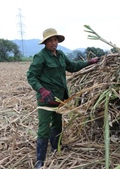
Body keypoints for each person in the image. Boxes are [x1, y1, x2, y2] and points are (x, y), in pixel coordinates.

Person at [26, 28, 99, 168]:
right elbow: (31, 76)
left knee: (58, 124)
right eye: (50, 41)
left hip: (59, 99)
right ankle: (40, 161)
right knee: (43, 128)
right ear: (45, 43)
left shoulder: (60, 55)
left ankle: (55, 148)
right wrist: (42, 90)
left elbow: (72, 66)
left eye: (55, 40)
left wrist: (90, 62)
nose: (53, 43)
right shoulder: (40, 57)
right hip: (45, 99)